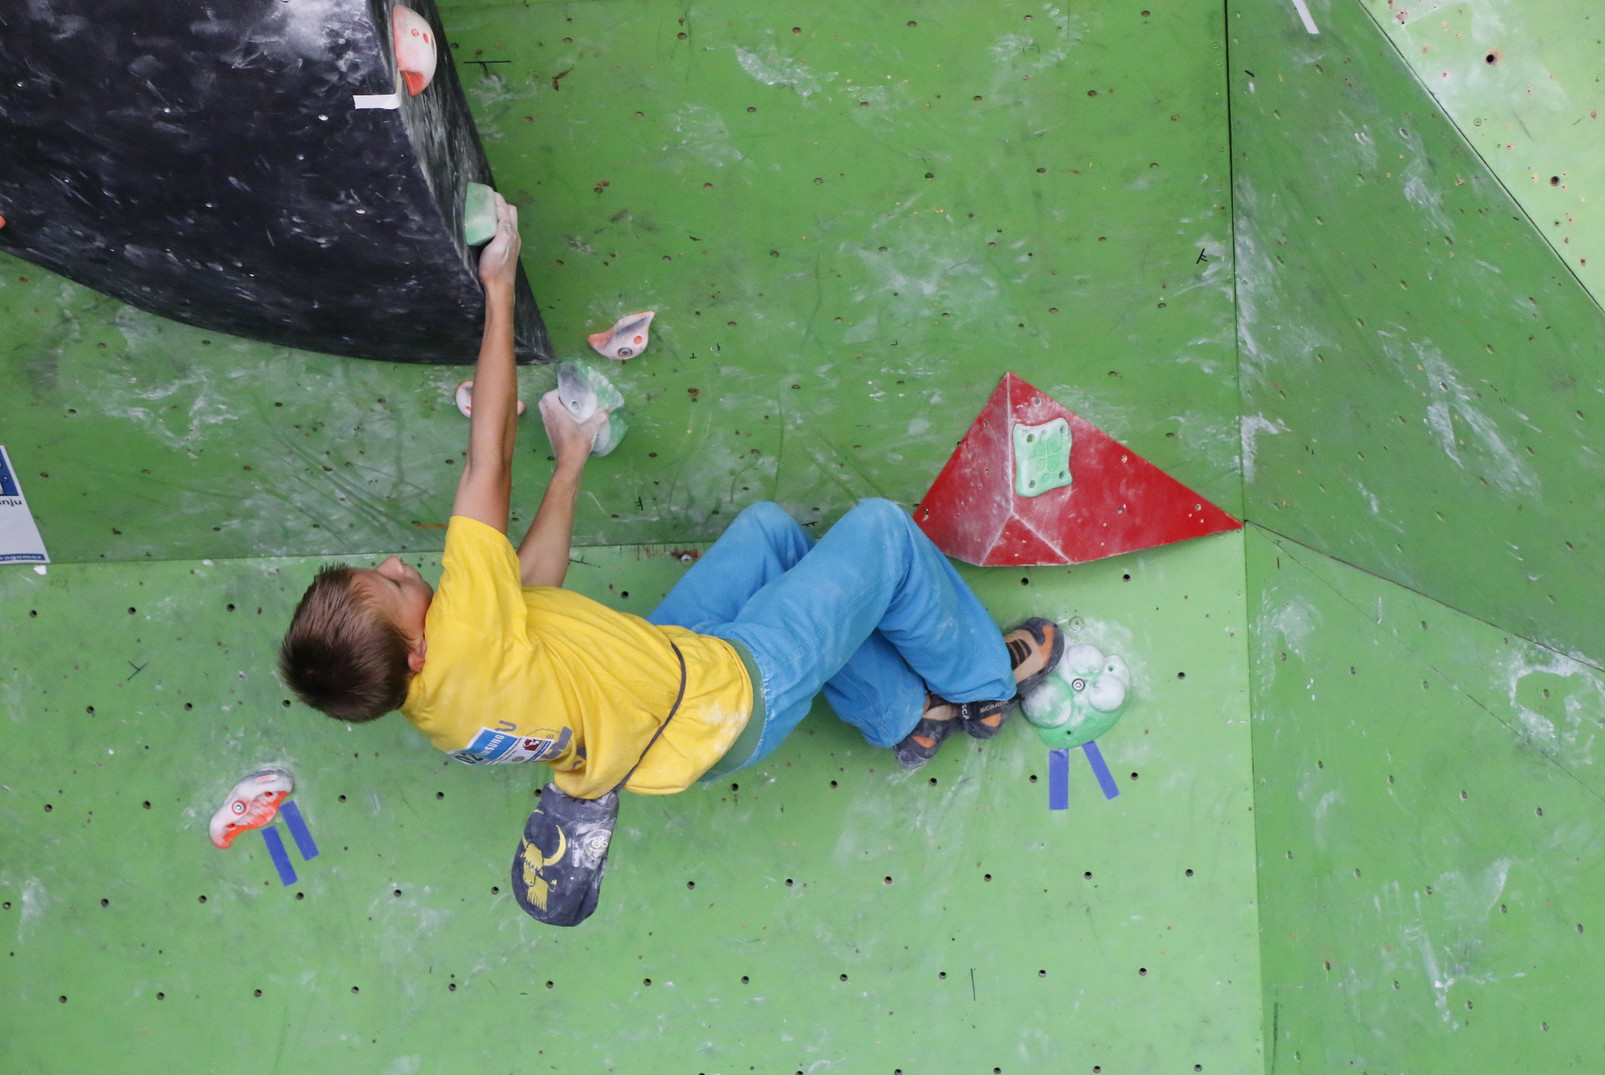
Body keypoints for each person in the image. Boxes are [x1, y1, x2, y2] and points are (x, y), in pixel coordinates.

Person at [279, 195, 1059, 917]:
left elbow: (530, 589)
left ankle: (901, 715)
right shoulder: (464, 634)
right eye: (390, 584)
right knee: (882, 533)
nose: (397, 566)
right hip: (732, 696)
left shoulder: (435, 708)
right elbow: (490, 461)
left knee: (769, 537)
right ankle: (984, 685)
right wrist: (500, 288)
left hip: (659, 699)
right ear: (415, 651)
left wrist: (571, 461)